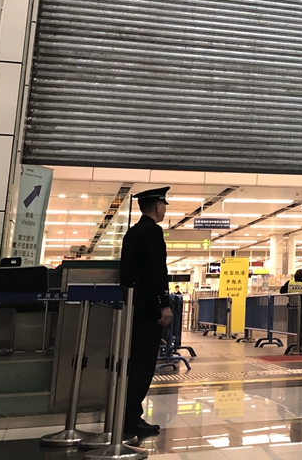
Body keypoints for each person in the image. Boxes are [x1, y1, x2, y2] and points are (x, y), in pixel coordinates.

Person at [120, 187, 172, 439]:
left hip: (133, 304)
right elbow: (156, 271)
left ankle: (126, 414)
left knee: (133, 363)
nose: (164, 210)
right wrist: (163, 304)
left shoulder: (132, 232)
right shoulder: (153, 232)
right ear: (158, 206)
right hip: (148, 307)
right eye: (164, 205)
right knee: (143, 363)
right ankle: (131, 419)